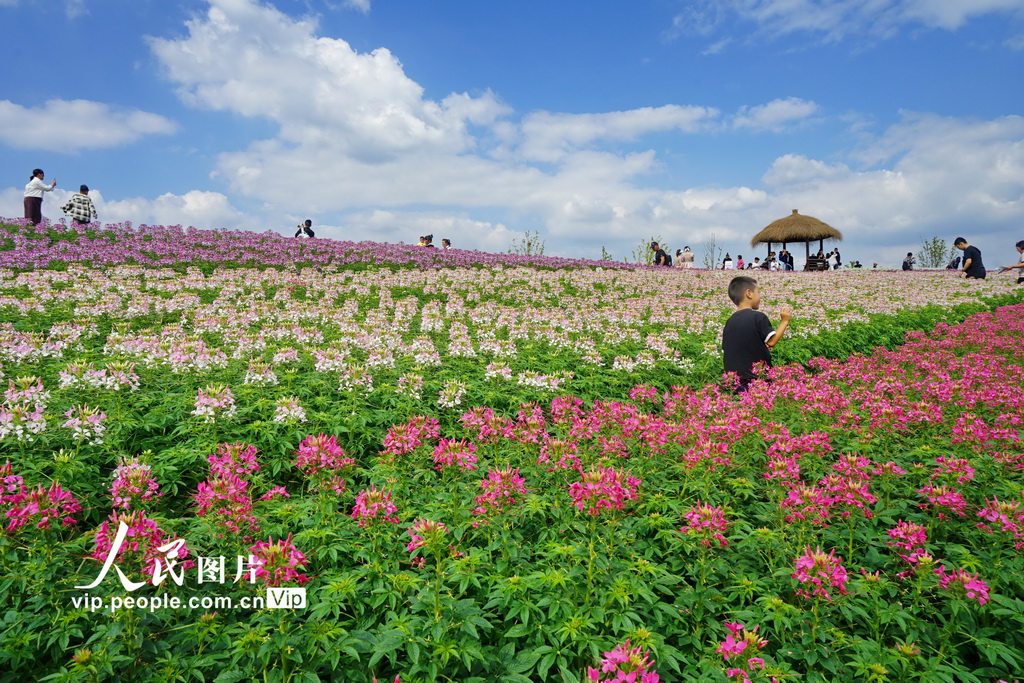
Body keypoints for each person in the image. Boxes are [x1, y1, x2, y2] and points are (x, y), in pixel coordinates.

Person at [722, 276, 792, 393]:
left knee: (741, 408)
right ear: (749, 293)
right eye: (758, 292)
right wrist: (785, 321)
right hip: (756, 378)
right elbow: (772, 342)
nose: (760, 296)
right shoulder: (757, 316)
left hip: (734, 379)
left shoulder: (730, 321)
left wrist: (760, 348)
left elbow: (735, 347)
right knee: (760, 406)